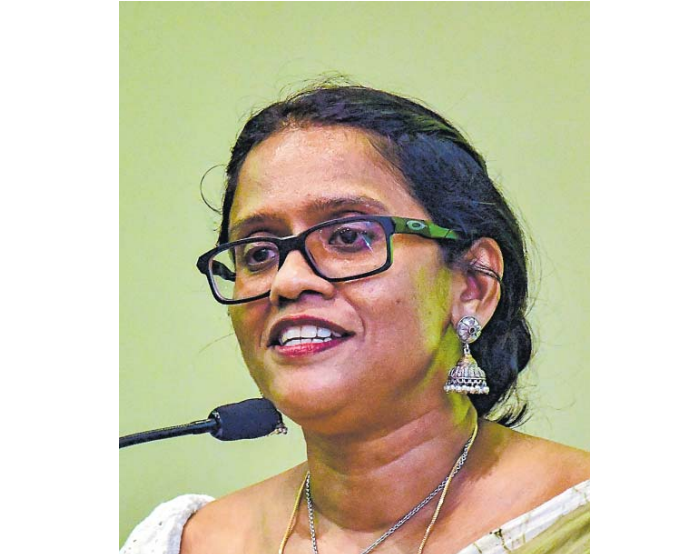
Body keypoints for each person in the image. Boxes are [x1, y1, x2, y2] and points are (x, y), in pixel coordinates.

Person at [121, 84, 589, 554]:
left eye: (348, 237)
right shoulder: (182, 542)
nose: (288, 281)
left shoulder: (584, 523)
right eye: (259, 253)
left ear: (473, 285)